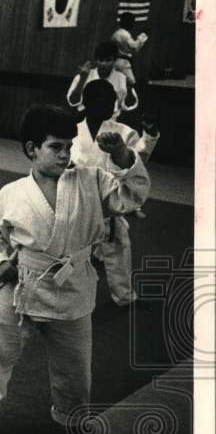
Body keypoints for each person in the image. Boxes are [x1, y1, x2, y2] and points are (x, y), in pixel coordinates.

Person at [0, 104, 150, 429]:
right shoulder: (11, 193)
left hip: (73, 287)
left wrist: (121, 155)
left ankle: (71, 417)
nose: (65, 154)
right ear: (32, 150)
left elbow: (132, 198)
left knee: (75, 366)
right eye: (55, 147)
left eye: (68, 146)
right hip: (20, 285)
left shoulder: (92, 180)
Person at [70, 79, 159, 307]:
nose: (110, 104)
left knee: (119, 251)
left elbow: (139, 159)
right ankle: (67, 297)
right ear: (88, 103)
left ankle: (125, 296)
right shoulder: (71, 132)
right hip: (77, 205)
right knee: (70, 254)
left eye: (112, 100)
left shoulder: (123, 132)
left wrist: (147, 136)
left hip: (108, 207)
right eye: (104, 100)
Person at [67, 41, 137, 120]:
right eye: (100, 60)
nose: (104, 64)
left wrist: (130, 89)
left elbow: (128, 106)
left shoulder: (122, 79)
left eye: (108, 60)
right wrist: (82, 79)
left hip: (110, 123)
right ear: (96, 60)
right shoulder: (84, 75)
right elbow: (73, 101)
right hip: (85, 119)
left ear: (115, 60)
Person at [111, 12, 149, 86]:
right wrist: (143, 35)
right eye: (131, 22)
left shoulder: (117, 33)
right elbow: (134, 47)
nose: (133, 24)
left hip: (117, 61)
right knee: (131, 83)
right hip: (122, 63)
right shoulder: (124, 34)